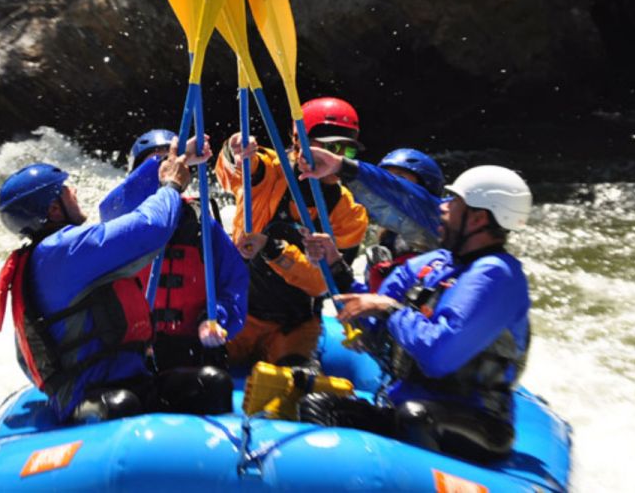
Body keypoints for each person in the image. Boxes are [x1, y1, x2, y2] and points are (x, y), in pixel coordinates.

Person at [298, 165, 533, 464]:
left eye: (453, 201)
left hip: (476, 421)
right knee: (320, 407)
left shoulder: (497, 276)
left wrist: (390, 310)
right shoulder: (436, 264)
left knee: (415, 417)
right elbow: (374, 313)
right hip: (406, 403)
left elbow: (437, 355)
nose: (443, 207)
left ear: (478, 218)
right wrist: (335, 267)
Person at [0, 137, 232, 424]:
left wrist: (176, 159)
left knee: (213, 383)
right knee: (121, 406)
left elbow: (125, 210)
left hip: (133, 380)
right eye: (67, 190)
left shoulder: (57, 251)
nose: (75, 191)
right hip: (88, 395)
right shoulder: (62, 251)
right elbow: (150, 228)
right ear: (54, 209)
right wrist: (171, 186)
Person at [215, 97, 369, 368]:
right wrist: (235, 152)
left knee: (296, 385)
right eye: (331, 147)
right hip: (237, 313)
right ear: (299, 143)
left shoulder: (349, 213)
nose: (338, 159)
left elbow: (324, 285)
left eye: (348, 152)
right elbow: (235, 173)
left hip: (292, 327)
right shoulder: (270, 170)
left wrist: (272, 249)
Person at [98, 129, 248, 370]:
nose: (167, 170)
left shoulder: (202, 225)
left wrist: (214, 318)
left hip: (191, 347)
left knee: (214, 383)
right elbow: (112, 207)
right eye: (158, 165)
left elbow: (234, 285)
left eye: (171, 164)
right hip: (133, 349)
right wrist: (175, 160)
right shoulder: (122, 221)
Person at [299, 146, 445, 292]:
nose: (384, 190)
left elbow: (414, 201)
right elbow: (367, 307)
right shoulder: (383, 252)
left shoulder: (443, 226)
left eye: (398, 179)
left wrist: (343, 166)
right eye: (386, 177)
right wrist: (334, 264)